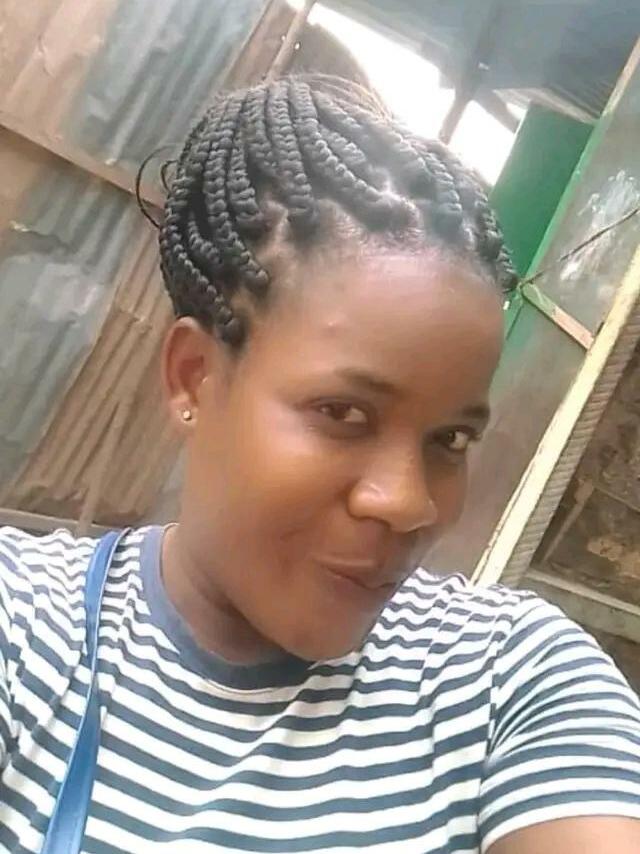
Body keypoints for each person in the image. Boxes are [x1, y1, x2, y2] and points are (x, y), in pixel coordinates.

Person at [0, 75, 639, 854]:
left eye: (450, 440)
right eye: (344, 414)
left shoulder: (508, 680)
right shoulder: (25, 627)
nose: (407, 503)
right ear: (194, 378)